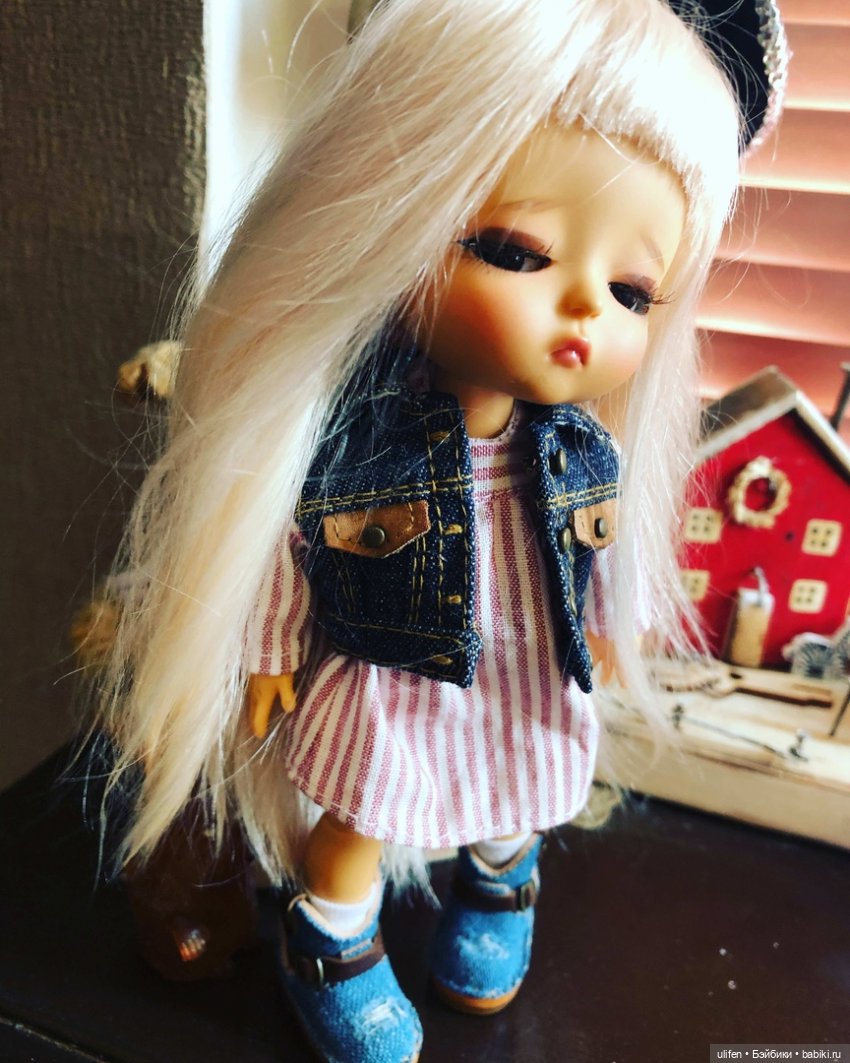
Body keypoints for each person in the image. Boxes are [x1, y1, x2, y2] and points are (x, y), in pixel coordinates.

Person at [92, 2, 785, 1060]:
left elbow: (604, 546)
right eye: (516, 251)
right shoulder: (359, 440)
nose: (584, 312)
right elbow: (288, 542)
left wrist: (613, 622)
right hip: (393, 673)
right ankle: (330, 939)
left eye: (631, 289)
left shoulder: (579, 451)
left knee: (519, 791)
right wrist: (271, 649)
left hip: (524, 669)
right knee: (360, 812)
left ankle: (499, 885)